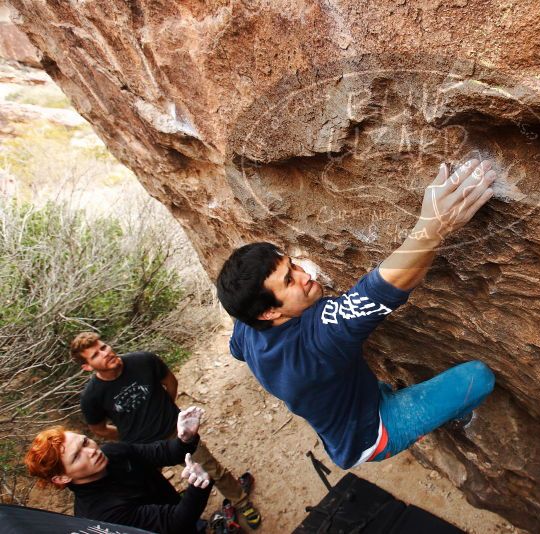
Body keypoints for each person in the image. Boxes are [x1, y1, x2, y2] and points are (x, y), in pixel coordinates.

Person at [215, 158, 497, 469]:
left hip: (345, 413)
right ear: (269, 312)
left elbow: (236, 351)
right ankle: (449, 417)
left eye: (292, 266)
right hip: (372, 433)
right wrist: (433, 226)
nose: (305, 275)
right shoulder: (316, 342)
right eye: (289, 281)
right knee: (478, 377)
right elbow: (376, 291)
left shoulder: (247, 328)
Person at [70, 332, 261, 528]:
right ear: (87, 367)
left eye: (103, 347)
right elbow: (99, 429)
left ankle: (241, 502)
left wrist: (167, 411)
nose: (105, 353)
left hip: (175, 433)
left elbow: (171, 382)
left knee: (211, 470)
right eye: (95, 355)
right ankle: (181, 519)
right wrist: (128, 435)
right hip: (139, 448)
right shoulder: (91, 396)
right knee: (148, 489)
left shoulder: (142, 360)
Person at [25, 406, 213, 534]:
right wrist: (198, 487)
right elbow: (173, 523)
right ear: (62, 478)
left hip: (182, 514)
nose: (91, 450)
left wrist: (184, 440)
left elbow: (157, 453)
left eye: (84, 441)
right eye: (77, 456)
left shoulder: (111, 453)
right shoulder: (100, 514)